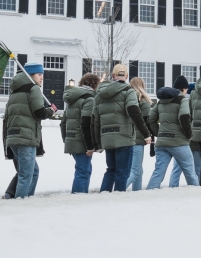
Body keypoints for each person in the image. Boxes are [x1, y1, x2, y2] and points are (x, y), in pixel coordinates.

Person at [95, 64, 153, 192]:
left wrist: (97, 142)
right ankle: (118, 199)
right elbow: (134, 112)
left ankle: (103, 197)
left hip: (107, 136)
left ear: (113, 76)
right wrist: (146, 134)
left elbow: (96, 119)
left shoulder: (100, 94)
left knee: (111, 170)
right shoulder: (128, 91)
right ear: (126, 76)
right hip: (123, 137)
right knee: (122, 172)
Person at [2, 63, 54, 198]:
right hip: (26, 137)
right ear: (31, 75)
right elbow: (39, 113)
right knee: (26, 174)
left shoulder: (15, 91)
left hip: (12, 137)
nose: (42, 77)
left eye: (42, 74)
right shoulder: (34, 88)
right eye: (39, 74)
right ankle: (20, 204)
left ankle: (16, 197)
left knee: (32, 171)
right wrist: (51, 110)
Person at [146, 75, 197, 188]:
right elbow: (184, 117)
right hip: (179, 142)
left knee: (158, 172)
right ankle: (196, 196)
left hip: (162, 143)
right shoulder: (182, 100)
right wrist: (189, 136)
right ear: (184, 89)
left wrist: (158, 133)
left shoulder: (161, 101)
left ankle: (148, 196)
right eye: (186, 89)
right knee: (190, 173)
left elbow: (150, 118)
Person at [62, 72, 100, 193]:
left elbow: (63, 122)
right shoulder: (89, 99)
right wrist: (90, 146)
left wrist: (66, 140)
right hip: (82, 141)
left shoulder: (71, 99)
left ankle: (79, 195)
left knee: (85, 169)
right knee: (83, 171)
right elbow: (86, 123)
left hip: (71, 138)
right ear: (95, 85)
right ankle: (78, 197)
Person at [126, 76, 153, 190]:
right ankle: (118, 189)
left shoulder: (126, 98)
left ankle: (137, 193)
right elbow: (147, 120)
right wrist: (149, 135)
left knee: (138, 169)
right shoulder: (143, 99)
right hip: (138, 138)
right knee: (136, 170)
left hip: (127, 136)